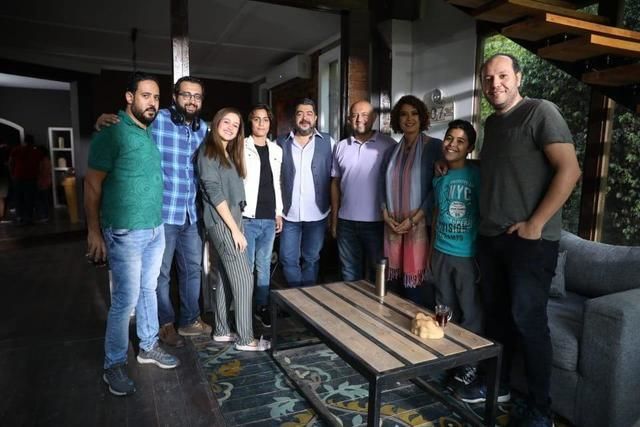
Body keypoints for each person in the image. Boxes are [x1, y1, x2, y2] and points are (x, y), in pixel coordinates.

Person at [456, 54, 581, 427]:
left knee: (527, 320)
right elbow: (501, 168)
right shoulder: (493, 124)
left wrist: (535, 224)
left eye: (502, 76)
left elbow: (569, 170)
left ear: (519, 77)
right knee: (497, 318)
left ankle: (540, 408)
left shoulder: (540, 112)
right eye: (488, 78)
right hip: (492, 238)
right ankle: (499, 385)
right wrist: (458, 164)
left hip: (530, 242)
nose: (495, 84)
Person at [96, 76, 212, 348]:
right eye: (186, 95)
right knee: (160, 274)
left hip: (191, 213)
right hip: (162, 213)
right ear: (175, 97)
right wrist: (102, 120)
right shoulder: (157, 119)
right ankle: (164, 323)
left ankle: (190, 320)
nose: (192, 100)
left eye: (197, 96)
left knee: (192, 269)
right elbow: (127, 122)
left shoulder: (204, 129)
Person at [85, 72, 179, 397]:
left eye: (156, 97)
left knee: (148, 290)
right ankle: (113, 364)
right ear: (129, 97)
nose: (152, 102)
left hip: (155, 228)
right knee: (125, 299)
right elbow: (92, 184)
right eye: (145, 95)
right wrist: (94, 232)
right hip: (125, 231)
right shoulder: (111, 133)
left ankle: (148, 346)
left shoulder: (148, 129)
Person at [196, 107, 270, 352]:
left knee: (227, 277)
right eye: (226, 122)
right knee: (245, 279)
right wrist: (235, 231)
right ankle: (246, 338)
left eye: (235, 125)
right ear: (216, 123)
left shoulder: (226, 153)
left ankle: (221, 330)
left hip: (231, 222)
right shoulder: (209, 152)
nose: (230, 127)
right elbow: (215, 194)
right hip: (222, 223)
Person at [431, 120, 483, 388]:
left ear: (470, 148)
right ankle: (447, 360)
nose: (452, 144)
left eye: (460, 141)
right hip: (441, 250)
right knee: (443, 308)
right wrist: (430, 253)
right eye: (449, 138)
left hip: (466, 255)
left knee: (469, 312)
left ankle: (469, 365)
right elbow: (437, 213)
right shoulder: (440, 176)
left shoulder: (477, 175)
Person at [380, 95, 442, 305]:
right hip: (393, 226)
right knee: (394, 288)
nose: (409, 119)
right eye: (404, 114)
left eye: (414, 113)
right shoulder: (390, 152)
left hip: (422, 226)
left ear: (422, 117)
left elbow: (436, 189)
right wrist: (385, 214)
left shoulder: (434, 147)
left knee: (417, 291)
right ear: (397, 119)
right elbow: (381, 183)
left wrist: (414, 220)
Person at [330, 100, 395, 281]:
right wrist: (334, 221)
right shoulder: (340, 146)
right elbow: (335, 184)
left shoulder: (389, 145)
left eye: (365, 115)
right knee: (349, 273)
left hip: (378, 223)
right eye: (355, 115)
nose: (359, 119)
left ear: (374, 118)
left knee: (379, 274)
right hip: (346, 223)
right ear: (349, 119)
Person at [277, 98, 335, 287]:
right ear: (294, 118)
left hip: (317, 213)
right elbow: (275, 179)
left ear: (316, 118)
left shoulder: (328, 142)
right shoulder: (280, 143)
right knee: (287, 259)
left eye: (309, 113)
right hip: (289, 214)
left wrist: (333, 212)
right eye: (300, 113)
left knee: (311, 258)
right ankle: (297, 295)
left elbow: (335, 178)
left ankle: (307, 295)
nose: (305, 118)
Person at [242, 104, 283, 327]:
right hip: (247, 217)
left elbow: (277, 183)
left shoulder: (276, 150)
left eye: (265, 119)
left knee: (264, 266)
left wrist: (279, 213)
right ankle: (243, 309)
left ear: (270, 123)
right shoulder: (240, 146)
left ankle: (261, 306)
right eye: (257, 119)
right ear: (251, 121)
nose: (261, 123)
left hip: (269, 217)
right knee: (246, 268)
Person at [9, 134, 42, 225]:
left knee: (18, 198)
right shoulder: (37, 152)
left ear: (24, 141)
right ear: (33, 142)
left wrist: (12, 174)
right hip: (31, 178)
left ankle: (19, 216)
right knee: (29, 198)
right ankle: (29, 217)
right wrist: (38, 175)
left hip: (18, 176)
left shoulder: (16, 150)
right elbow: (39, 166)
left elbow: (11, 162)